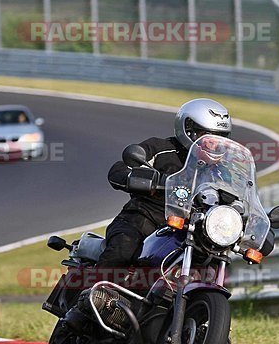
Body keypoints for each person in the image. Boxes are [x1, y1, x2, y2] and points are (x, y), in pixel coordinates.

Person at [96, 98, 233, 269]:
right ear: (188, 131)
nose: (214, 144)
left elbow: (238, 197)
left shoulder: (223, 172)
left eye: (220, 138)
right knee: (123, 250)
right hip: (144, 220)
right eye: (206, 136)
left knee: (214, 266)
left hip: (193, 233)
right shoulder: (161, 148)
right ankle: (94, 291)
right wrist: (144, 180)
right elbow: (119, 170)